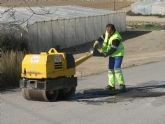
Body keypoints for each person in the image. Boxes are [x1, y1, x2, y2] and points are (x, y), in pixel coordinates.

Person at [93, 24, 126, 92]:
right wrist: (97, 41)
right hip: (111, 54)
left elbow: (113, 48)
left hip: (118, 54)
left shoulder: (116, 37)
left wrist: (106, 54)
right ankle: (111, 86)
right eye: (107, 31)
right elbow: (103, 37)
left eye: (109, 31)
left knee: (117, 69)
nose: (108, 33)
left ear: (113, 30)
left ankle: (122, 85)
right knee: (110, 70)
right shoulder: (108, 32)